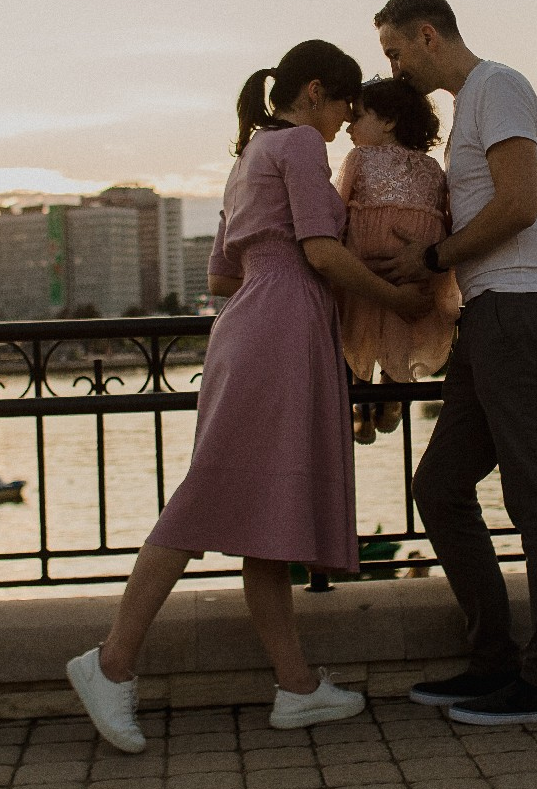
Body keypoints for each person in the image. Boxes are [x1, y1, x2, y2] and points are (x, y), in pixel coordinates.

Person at [66, 40, 432, 752]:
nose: (343, 124)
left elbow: (222, 276)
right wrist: (398, 300)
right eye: (346, 107)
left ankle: (295, 687)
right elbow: (324, 252)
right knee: (208, 498)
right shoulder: (297, 143)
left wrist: (280, 276)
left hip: (256, 324)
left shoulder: (249, 157)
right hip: (280, 331)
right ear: (319, 92)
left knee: (267, 511)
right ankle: (110, 663)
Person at [373, 0, 537, 726]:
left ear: (427, 35)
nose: (393, 69)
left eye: (395, 52)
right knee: (439, 486)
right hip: (487, 315)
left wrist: (435, 254)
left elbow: (519, 203)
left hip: (520, 308)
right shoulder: (472, 105)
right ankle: (494, 659)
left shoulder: (500, 85)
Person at [335, 77, 462, 440]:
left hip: (370, 263)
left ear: (389, 121)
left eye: (357, 117)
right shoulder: (434, 168)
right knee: (388, 323)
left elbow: (336, 206)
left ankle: (365, 395)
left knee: (360, 322)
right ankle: (387, 392)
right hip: (405, 266)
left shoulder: (358, 159)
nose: (348, 126)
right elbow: (445, 220)